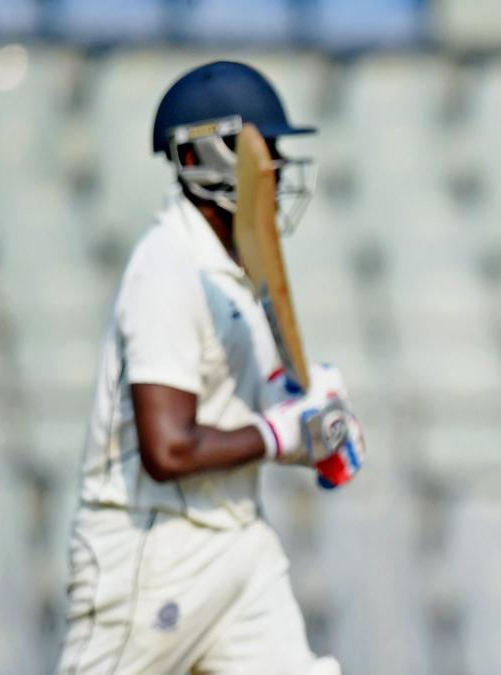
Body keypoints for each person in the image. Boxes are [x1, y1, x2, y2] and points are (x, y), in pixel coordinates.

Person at [56, 60, 364, 675]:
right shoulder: (167, 265)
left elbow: (259, 411)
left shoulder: (231, 270)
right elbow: (168, 449)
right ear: (203, 156)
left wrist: (318, 422)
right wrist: (283, 434)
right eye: (264, 150)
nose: (278, 168)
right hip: (153, 550)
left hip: (236, 541)